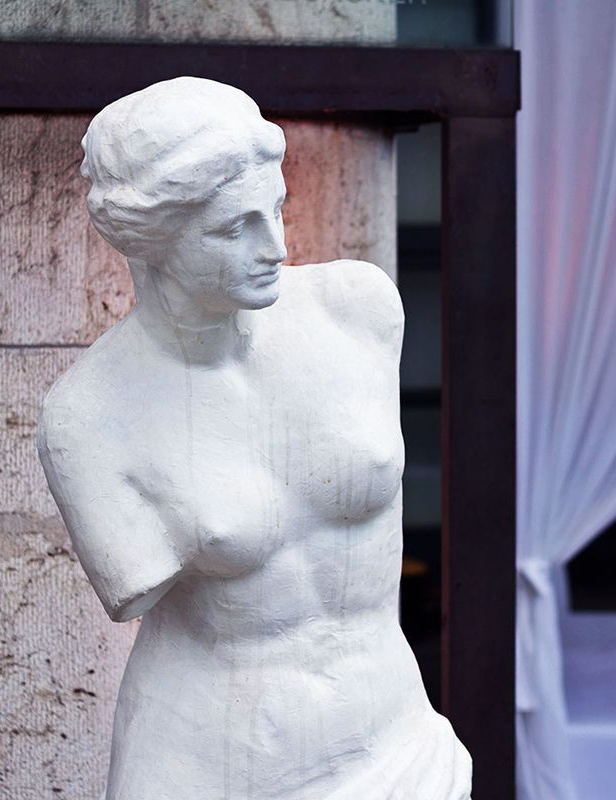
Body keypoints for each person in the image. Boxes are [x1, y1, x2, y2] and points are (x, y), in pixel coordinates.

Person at [37, 76, 471, 800]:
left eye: (277, 208)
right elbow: (129, 589)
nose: (275, 245)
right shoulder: (88, 416)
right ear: (149, 239)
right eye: (234, 227)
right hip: (208, 760)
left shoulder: (357, 310)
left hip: (391, 735)